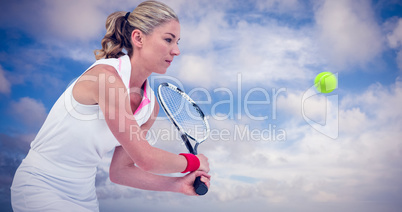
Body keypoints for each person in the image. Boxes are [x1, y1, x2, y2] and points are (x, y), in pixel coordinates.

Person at [10, 1, 210, 211]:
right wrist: (195, 162)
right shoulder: (106, 78)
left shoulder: (150, 108)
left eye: (178, 42)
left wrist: (177, 185)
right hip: (39, 186)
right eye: (168, 40)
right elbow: (146, 158)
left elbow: (120, 171)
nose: (176, 51)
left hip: (83, 196)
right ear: (138, 38)